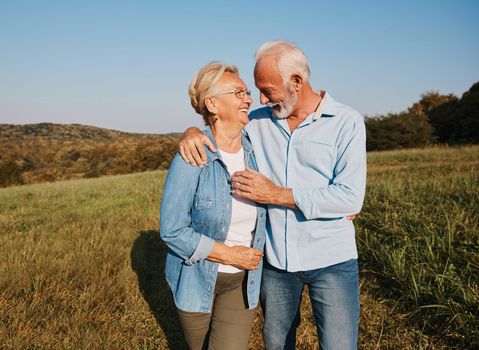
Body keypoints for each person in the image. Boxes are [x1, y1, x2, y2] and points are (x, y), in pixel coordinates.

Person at [178, 41, 367, 350]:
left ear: (297, 81)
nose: (261, 99)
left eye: (267, 90)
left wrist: (277, 195)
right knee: (277, 344)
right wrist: (191, 132)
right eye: (257, 91)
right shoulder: (258, 123)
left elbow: (349, 198)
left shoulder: (347, 123)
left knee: (339, 345)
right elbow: (219, 129)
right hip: (276, 264)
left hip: (333, 259)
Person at [160, 62, 267, 350]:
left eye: (247, 92)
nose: (249, 98)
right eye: (239, 92)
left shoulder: (257, 148)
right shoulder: (193, 155)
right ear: (213, 103)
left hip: (242, 282)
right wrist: (230, 255)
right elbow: (172, 230)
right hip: (196, 279)